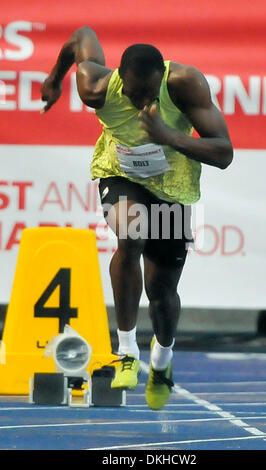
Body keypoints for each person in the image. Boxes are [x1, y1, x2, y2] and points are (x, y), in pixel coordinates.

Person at [41, 26, 233, 410]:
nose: (140, 101)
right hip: (121, 172)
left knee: (162, 293)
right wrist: (53, 78)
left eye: (147, 93)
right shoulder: (94, 85)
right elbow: (81, 37)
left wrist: (169, 136)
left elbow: (224, 152)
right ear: (118, 80)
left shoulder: (185, 83)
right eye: (132, 93)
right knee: (130, 233)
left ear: (160, 78)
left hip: (173, 184)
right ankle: (126, 351)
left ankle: (162, 360)